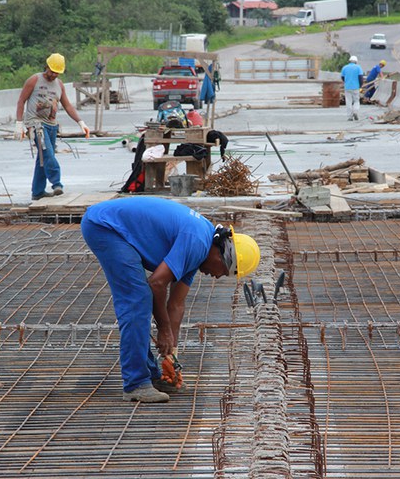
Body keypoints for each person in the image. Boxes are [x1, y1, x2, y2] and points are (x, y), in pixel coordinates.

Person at [80, 197, 261, 403]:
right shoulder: (197, 242)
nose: (219, 276)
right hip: (105, 226)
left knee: (141, 298)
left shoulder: (199, 251)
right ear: (222, 256)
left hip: (112, 225)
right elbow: (157, 283)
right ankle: (136, 383)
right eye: (225, 272)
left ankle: (151, 375)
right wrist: (164, 330)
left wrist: (171, 355)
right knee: (137, 299)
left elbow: (176, 305)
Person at [15, 53, 91, 201]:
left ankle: (37, 192)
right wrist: (19, 124)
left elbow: (68, 105)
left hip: (51, 126)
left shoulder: (59, 85)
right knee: (47, 152)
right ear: (46, 66)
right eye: (51, 71)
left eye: (57, 72)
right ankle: (57, 183)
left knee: (43, 158)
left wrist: (81, 122)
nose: (53, 74)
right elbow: (21, 100)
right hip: (35, 124)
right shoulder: (34, 80)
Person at [340, 55, 364, 121]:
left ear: (349, 61)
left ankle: (350, 117)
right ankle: (355, 112)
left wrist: (346, 82)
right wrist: (360, 85)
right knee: (356, 100)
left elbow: (342, 77)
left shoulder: (345, 67)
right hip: (356, 87)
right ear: (356, 61)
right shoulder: (358, 67)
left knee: (348, 101)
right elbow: (361, 77)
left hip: (347, 87)